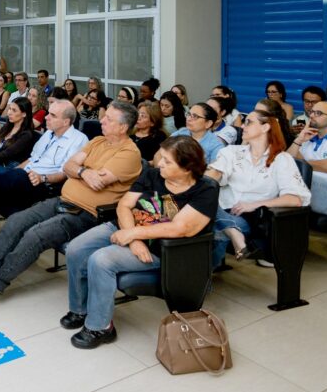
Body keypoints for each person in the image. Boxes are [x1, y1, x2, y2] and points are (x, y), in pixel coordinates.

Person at [0, 101, 141, 304]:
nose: (102, 120)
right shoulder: (97, 141)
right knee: (16, 221)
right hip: (62, 200)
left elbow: (98, 181)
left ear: (123, 127)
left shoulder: (129, 154)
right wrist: (83, 172)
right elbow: (69, 165)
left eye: (108, 119)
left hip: (86, 214)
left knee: (35, 235)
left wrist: (79, 170)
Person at [62, 135, 218, 349]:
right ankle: (80, 310)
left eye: (167, 161)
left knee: (102, 260)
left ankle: (100, 327)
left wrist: (134, 234)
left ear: (187, 168)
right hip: (127, 228)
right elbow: (124, 205)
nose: (160, 164)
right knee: (76, 249)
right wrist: (133, 238)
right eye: (161, 158)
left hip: (161, 248)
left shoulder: (204, 190)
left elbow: (181, 228)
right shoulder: (153, 174)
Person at [0, 100, 88, 246]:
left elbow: (65, 173)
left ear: (66, 121)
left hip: (42, 184)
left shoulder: (78, 140)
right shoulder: (48, 134)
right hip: (23, 177)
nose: (46, 117)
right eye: (48, 113)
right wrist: (11, 174)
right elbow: (31, 160)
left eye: (52, 115)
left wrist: (42, 178)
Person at [206, 110, 310, 266]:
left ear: (265, 127)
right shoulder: (231, 152)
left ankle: (198, 276)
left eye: (249, 122)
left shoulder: (282, 159)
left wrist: (255, 204)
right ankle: (233, 233)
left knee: (211, 226)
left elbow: (296, 199)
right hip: (220, 209)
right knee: (207, 207)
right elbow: (214, 175)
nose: (242, 126)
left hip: (249, 217)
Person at [0, 97, 38, 169]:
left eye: (14, 110)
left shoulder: (26, 135)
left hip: (8, 167)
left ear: (24, 114)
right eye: (10, 109)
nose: (9, 113)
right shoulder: (7, 127)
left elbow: (6, 155)